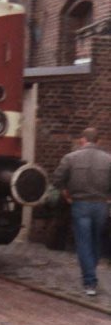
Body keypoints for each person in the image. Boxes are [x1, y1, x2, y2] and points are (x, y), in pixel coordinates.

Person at [52, 127, 111, 296]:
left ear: (82, 140)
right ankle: (91, 271)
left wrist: (66, 193)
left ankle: (90, 282)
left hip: (80, 204)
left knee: (84, 243)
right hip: (101, 205)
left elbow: (57, 180)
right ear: (98, 141)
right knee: (96, 240)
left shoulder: (70, 158)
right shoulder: (108, 159)